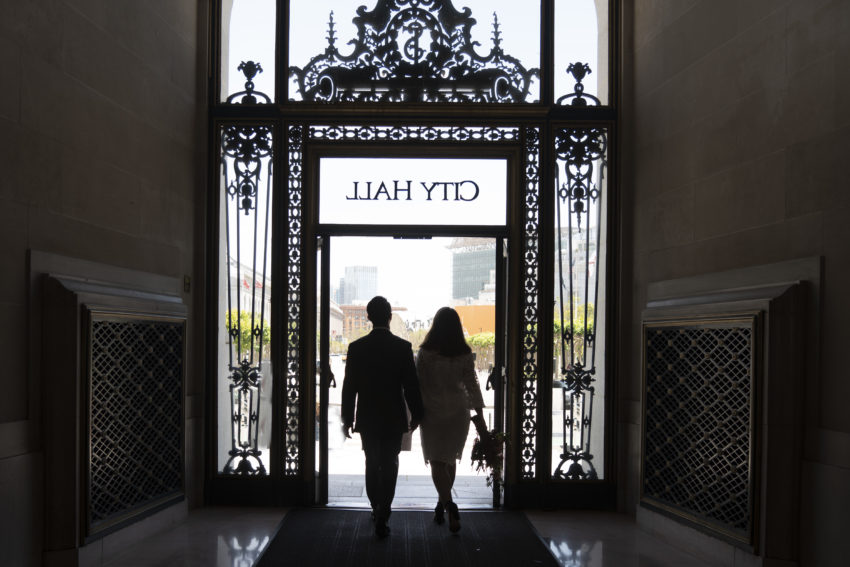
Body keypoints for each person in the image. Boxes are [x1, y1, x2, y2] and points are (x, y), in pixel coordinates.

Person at [341, 296, 424, 538]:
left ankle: (375, 506)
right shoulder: (402, 347)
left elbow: (349, 387)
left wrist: (347, 419)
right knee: (390, 463)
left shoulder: (356, 348)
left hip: (367, 417)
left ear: (368, 317)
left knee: (371, 462)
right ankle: (384, 510)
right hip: (393, 417)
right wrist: (417, 413)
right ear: (390, 317)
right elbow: (411, 386)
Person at [416, 307, 486, 534]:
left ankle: (448, 505)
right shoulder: (464, 353)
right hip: (458, 412)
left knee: (436, 461)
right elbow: (472, 386)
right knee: (450, 460)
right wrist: (480, 416)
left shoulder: (425, 353)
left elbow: (417, 384)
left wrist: (414, 413)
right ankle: (442, 504)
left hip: (432, 412)